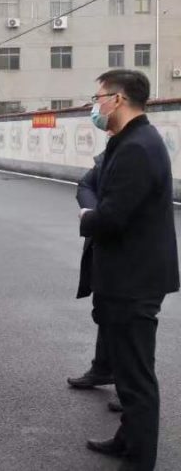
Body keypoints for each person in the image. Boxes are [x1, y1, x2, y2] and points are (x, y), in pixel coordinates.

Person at [80, 70, 178, 471]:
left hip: (134, 280)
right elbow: (95, 186)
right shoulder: (128, 140)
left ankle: (140, 460)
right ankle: (127, 438)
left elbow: (112, 217)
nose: (95, 105)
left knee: (136, 377)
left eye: (98, 97)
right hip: (127, 275)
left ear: (117, 99)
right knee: (127, 370)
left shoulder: (138, 147)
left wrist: (87, 216)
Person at [68, 152, 122, 413]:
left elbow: (127, 209)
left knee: (127, 323)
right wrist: (91, 211)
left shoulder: (138, 152)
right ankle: (102, 369)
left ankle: (129, 387)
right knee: (104, 310)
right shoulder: (112, 151)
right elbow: (86, 184)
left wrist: (97, 217)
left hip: (131, 254)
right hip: (103, 245)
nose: (107, 133)